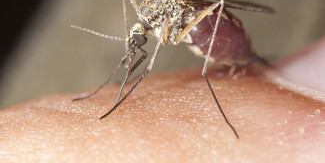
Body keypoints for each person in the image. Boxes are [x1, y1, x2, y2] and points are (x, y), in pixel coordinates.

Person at [1, 39, 325, 162]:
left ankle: (232, 67)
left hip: (211, 27)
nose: (137, 48)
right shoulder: (142, 20)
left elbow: (150, 59)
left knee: (152, 65)